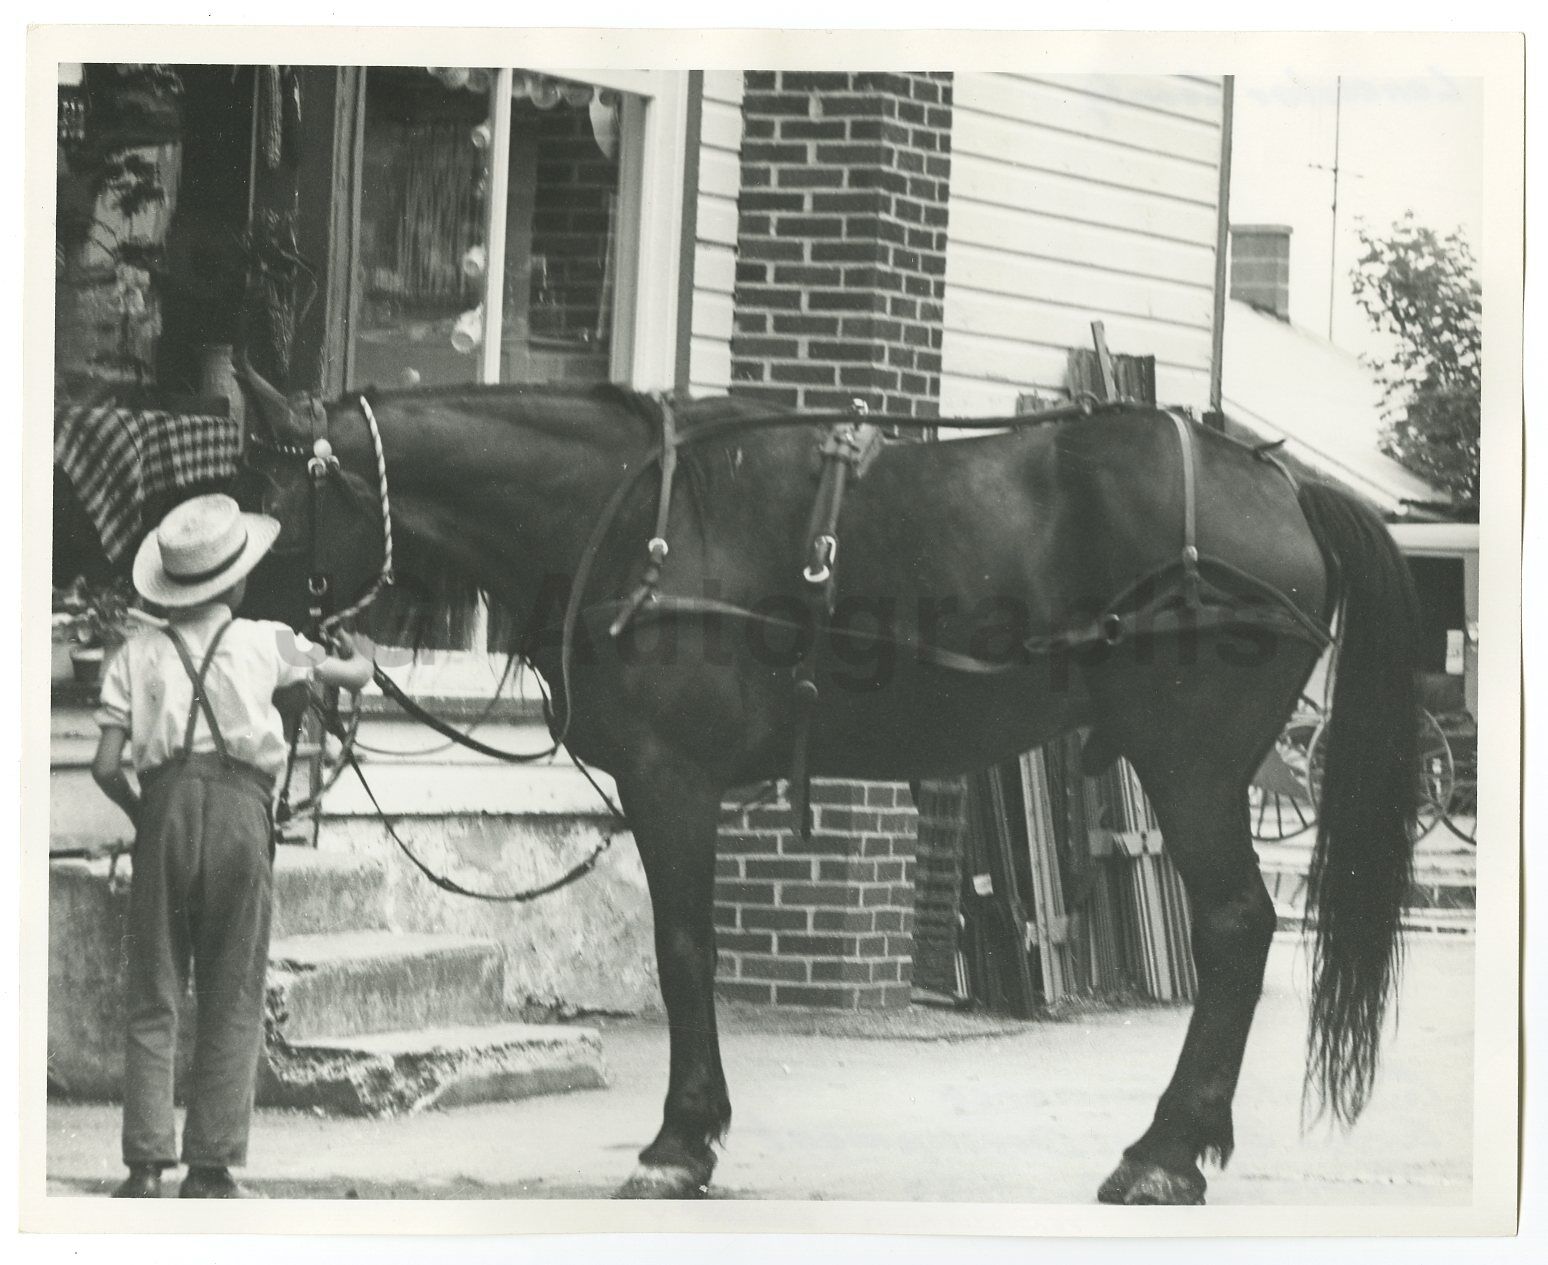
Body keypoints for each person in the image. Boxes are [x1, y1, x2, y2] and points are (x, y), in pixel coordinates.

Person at [91, 493, 373, 1199]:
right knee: (232, 986)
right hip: (243, 814)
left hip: (164, 809)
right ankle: (210, 1167)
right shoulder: (267, 639)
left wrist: (146, 814)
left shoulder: (134, 652)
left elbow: (103, 764)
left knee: (154, 988)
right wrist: (356, 650)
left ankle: (145, 1162)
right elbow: (356, 675)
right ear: (237, 580)